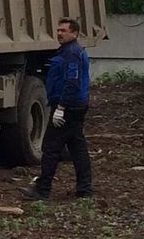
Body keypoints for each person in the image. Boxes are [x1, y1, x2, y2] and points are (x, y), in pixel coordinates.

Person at [19, 17, 93, 200]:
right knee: (77, 147)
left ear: (74, 33)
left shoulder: (71, 54)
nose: (59, 33)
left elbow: (72, 83)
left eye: (63, 30)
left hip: (70, 107)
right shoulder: (69, 51)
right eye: (58, 30)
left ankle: (42, 190)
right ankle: (84, 188)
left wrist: (61, 107)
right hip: (76, 105)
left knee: (51, 147)